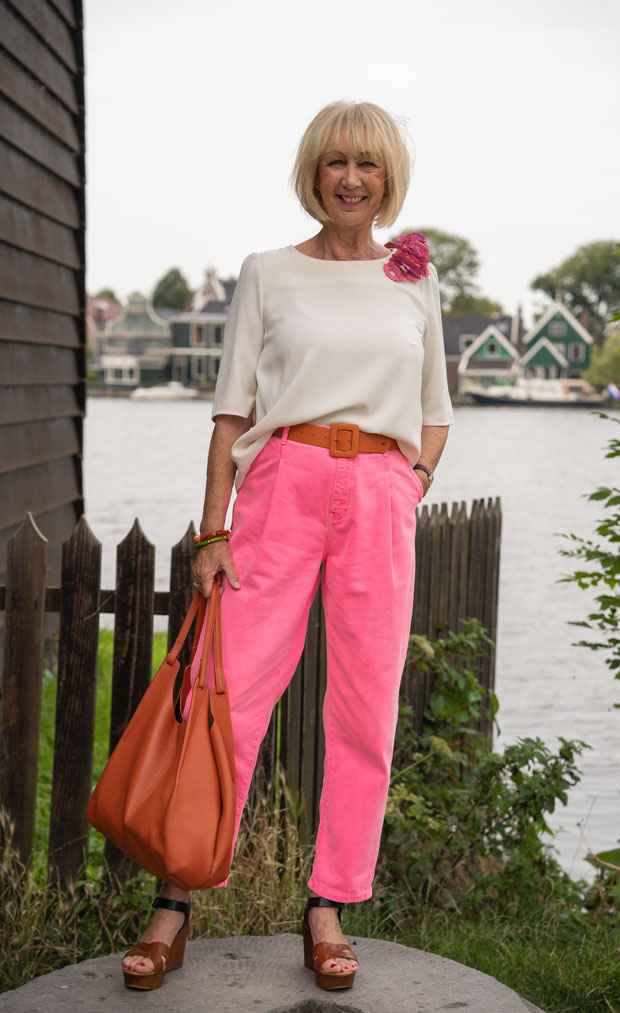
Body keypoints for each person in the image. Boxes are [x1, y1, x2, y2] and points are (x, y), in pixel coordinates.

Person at [121, 100, 453, 992]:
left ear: (389, 178)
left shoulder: (413, 275)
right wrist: (215, 527)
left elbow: (434, 410)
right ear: (313, 170)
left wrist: (405, 484)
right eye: (336, 161)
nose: (351, 178)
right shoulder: (267, 272)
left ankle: (329, 905)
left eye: (368, 165)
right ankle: (176, 901)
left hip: (378, 495)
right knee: (221, 696)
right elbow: (232, 408)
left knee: (364, 711)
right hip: (281, 487)